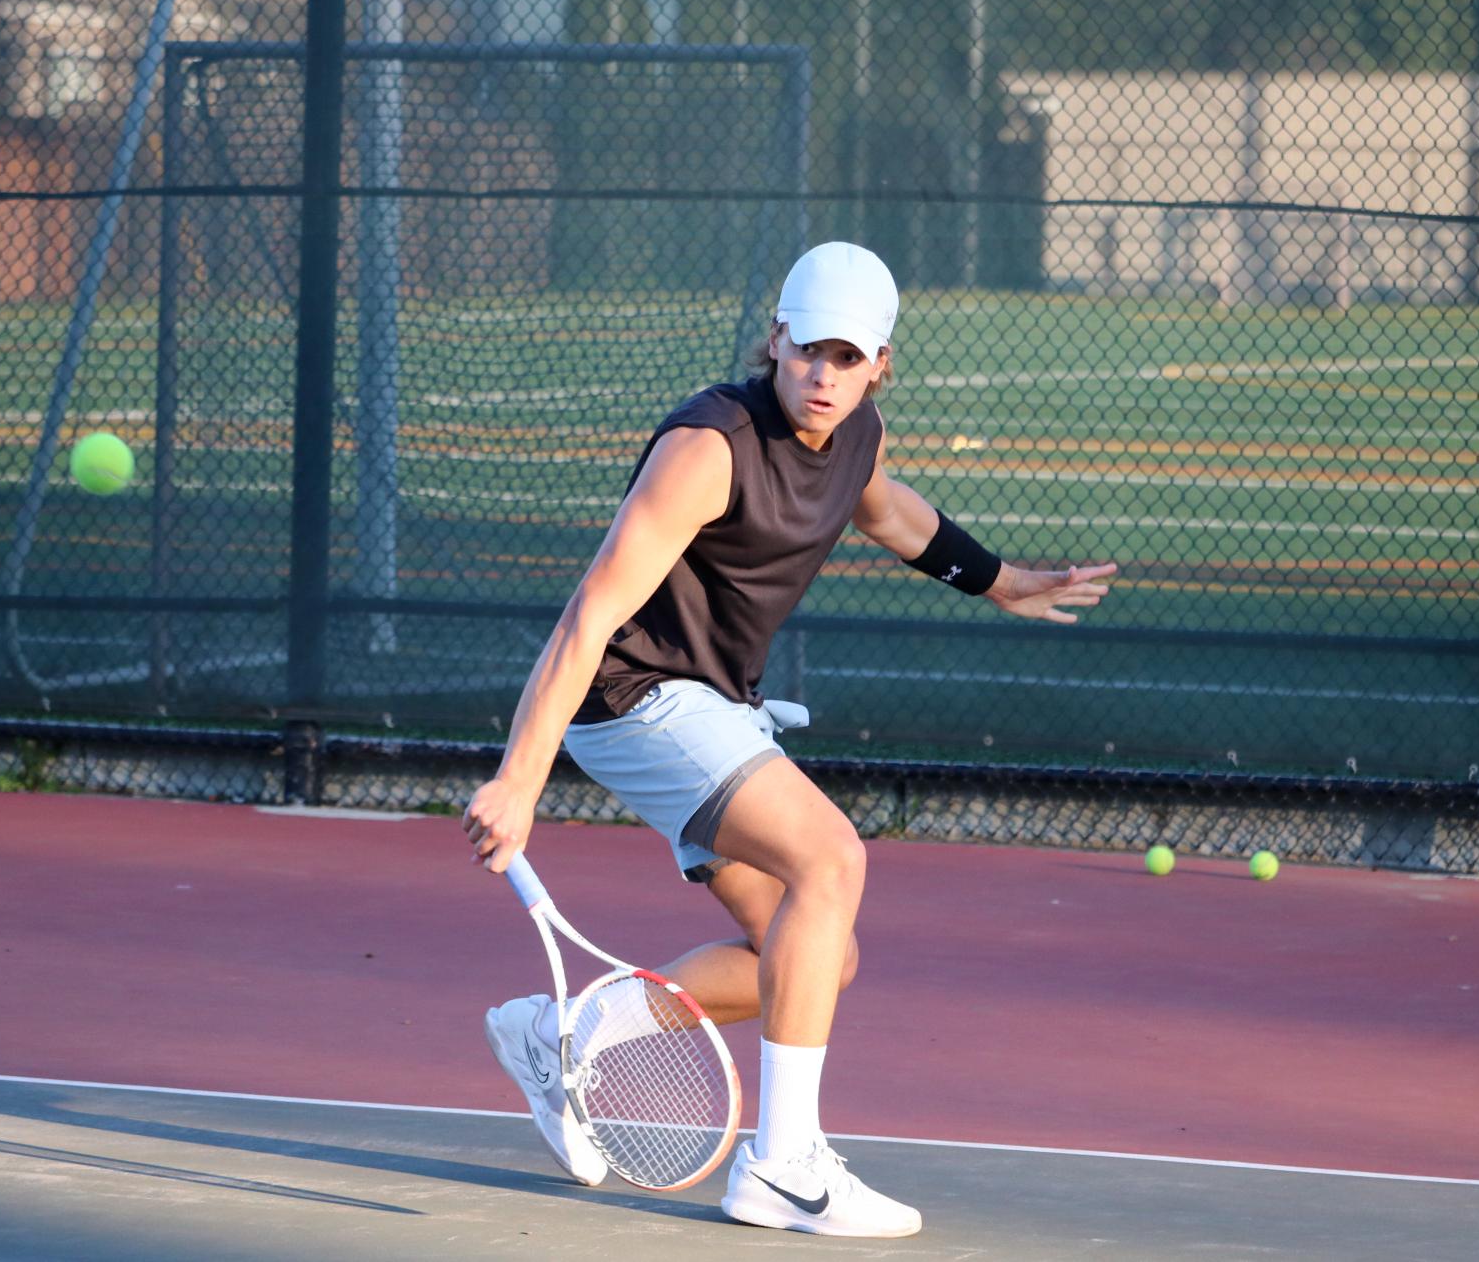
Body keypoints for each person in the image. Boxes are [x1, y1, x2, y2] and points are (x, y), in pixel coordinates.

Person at [468, 241, 1114, 1238]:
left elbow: (893, 513)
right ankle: (784, 1164)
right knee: (832, 856)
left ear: (880, 365)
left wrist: (1003, 580)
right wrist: (521, 776)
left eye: (847, 357)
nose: (823, 374)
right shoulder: (710, 445)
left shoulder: (855, 439)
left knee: (815, 952)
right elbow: (589, 612)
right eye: (808, 348)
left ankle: (568, 1034)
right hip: (631, 694)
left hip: (713, 702)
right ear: (775, 340)